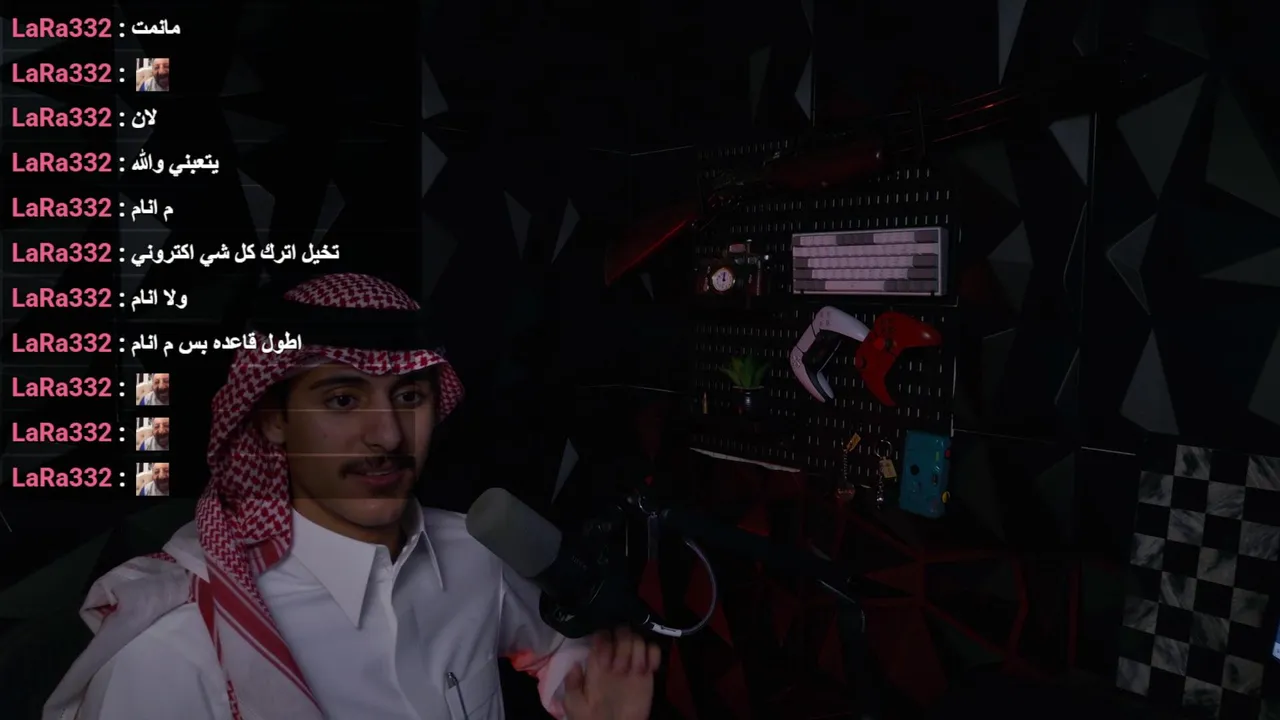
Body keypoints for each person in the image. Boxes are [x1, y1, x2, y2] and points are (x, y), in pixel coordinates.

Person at [44, 274, 660, 720]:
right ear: (274, 420)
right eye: (342, 400)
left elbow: (564, 651)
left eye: (409, 397)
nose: (388, 436)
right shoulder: (176, 647)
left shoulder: (476, 558)